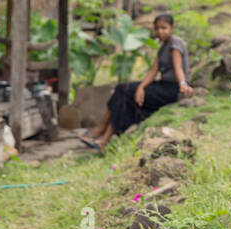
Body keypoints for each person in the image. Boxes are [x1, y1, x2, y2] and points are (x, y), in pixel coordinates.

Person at [80, 13, 192, 151]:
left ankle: (100, 129)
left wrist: (183, 84)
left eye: (164, 28)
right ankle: (104, 140)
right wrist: (141, 87)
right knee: (125, 99)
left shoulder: (175, 43)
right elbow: (153, 71)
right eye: (157, 28)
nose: (160, 32)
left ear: (172, 28)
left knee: (122, 89)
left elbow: (178, 66)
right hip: (162, 85)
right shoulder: (163, 47)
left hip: (172, 89)